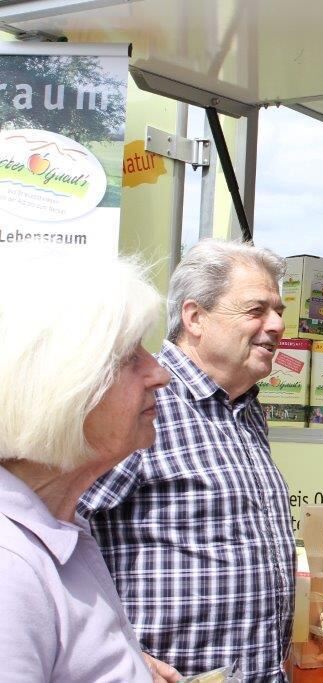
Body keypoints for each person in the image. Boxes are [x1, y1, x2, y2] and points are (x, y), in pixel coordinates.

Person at [79, 240, 296, 681]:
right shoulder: (141, 401)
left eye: (278, 310)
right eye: (257, 310)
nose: (276, 325)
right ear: (195, 318)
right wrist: (112, 648)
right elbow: (50, 533)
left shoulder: (243, 407)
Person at [0, 252, 179, 682]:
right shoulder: (9, 567)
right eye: (130, 357)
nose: (160, 373)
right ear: (60, 383)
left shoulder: (59, 529)